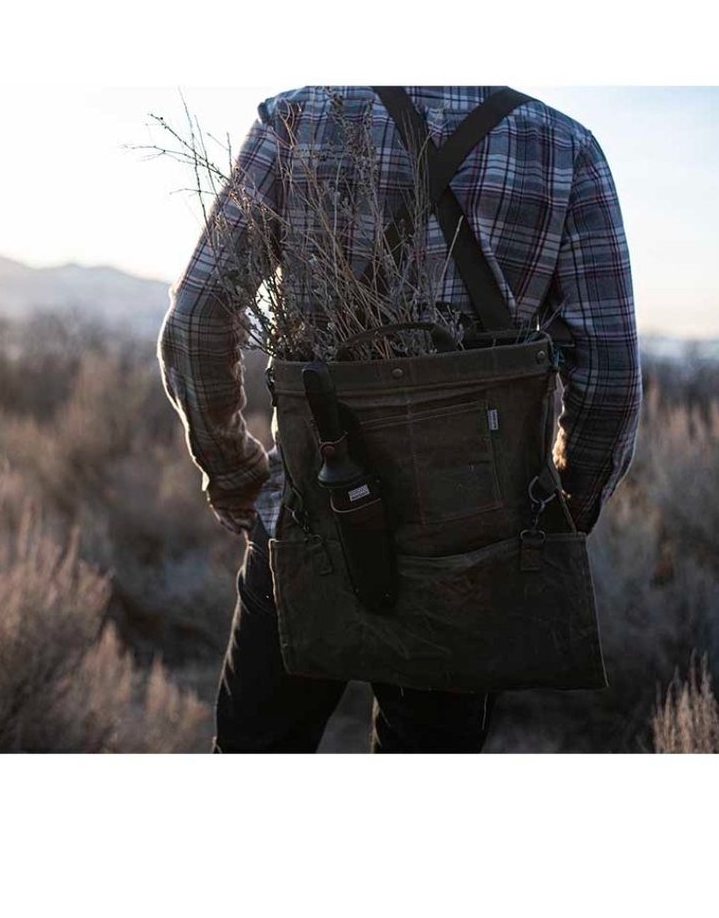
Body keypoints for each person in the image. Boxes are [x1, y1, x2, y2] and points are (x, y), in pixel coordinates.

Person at [158, 86, 642, 753]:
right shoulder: (566, 150)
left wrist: (242, 482)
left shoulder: (296, 121)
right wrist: (552, 522)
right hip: (474, 552)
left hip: (305, 523)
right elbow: (610, 382)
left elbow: (195, 323)